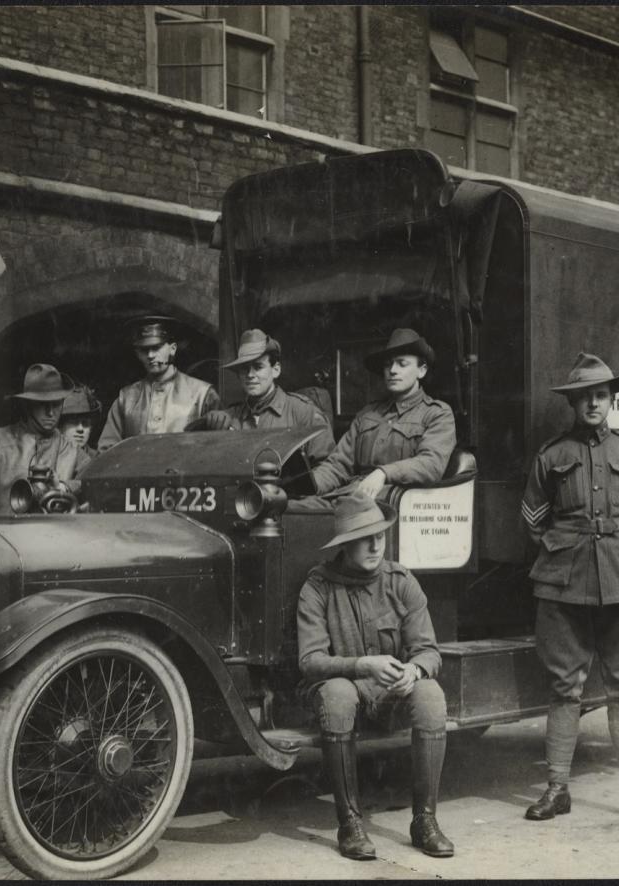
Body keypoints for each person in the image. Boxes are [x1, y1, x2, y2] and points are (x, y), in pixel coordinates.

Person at [520, 352, 619, 823]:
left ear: (611, 400)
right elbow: (532, 516)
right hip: (563, 585)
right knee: (565, 686)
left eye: (600, 396)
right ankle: (557, 789)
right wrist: (561, 548)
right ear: (574, 403)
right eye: (585, 397)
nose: (593, 404)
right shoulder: (552, 456)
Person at [296, 492, 454, 861]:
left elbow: (428, 651)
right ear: (345, 544)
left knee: (430, 694)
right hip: (343, 695)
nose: (374, 545)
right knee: (336, 694)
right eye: (364, 538)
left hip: (389, 696)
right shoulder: (318, 587)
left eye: (379, 536)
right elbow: (310, 661)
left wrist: (413, 671)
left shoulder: (400, 581)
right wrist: (361, 666)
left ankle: (424, 820)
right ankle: (350, 823)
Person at [297, 329, 455, 510]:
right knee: (287, 507)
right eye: (388, 365)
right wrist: (307, 486)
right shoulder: (368, 414)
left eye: (402, 364)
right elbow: (338, 464)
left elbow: (431, 464)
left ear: (421, 370)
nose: (393, 370)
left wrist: (383, 473)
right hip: (351, 496)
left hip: (393, 504)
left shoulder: (437, 414)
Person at [194, 328, 334, 461]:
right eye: (244, 369)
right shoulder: (230, 417)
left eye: (258, 367)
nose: (250, 375)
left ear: (276, 370)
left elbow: (327, 467)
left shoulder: (304, 413)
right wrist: (208, 422)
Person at [0, 364, 90, 514]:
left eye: (56, 404)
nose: (50, 412)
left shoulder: (72, 450)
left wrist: (64, 487)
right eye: (43, 404)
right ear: (27, 404)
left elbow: (95, 482)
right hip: (5, 534)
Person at [97, 316, 221, 448]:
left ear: (172, 349)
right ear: (137, 353)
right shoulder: (126, 398)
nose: (150, 355)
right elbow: (107, 449)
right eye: (144, 350)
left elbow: (218, 448)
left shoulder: (202, 393)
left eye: (156, 348)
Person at [58, 381, 101, 458]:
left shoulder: (98, 459)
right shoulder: (49, 457)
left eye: (85, 423)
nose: (80, 429)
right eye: (74, 422)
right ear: (60, 426)